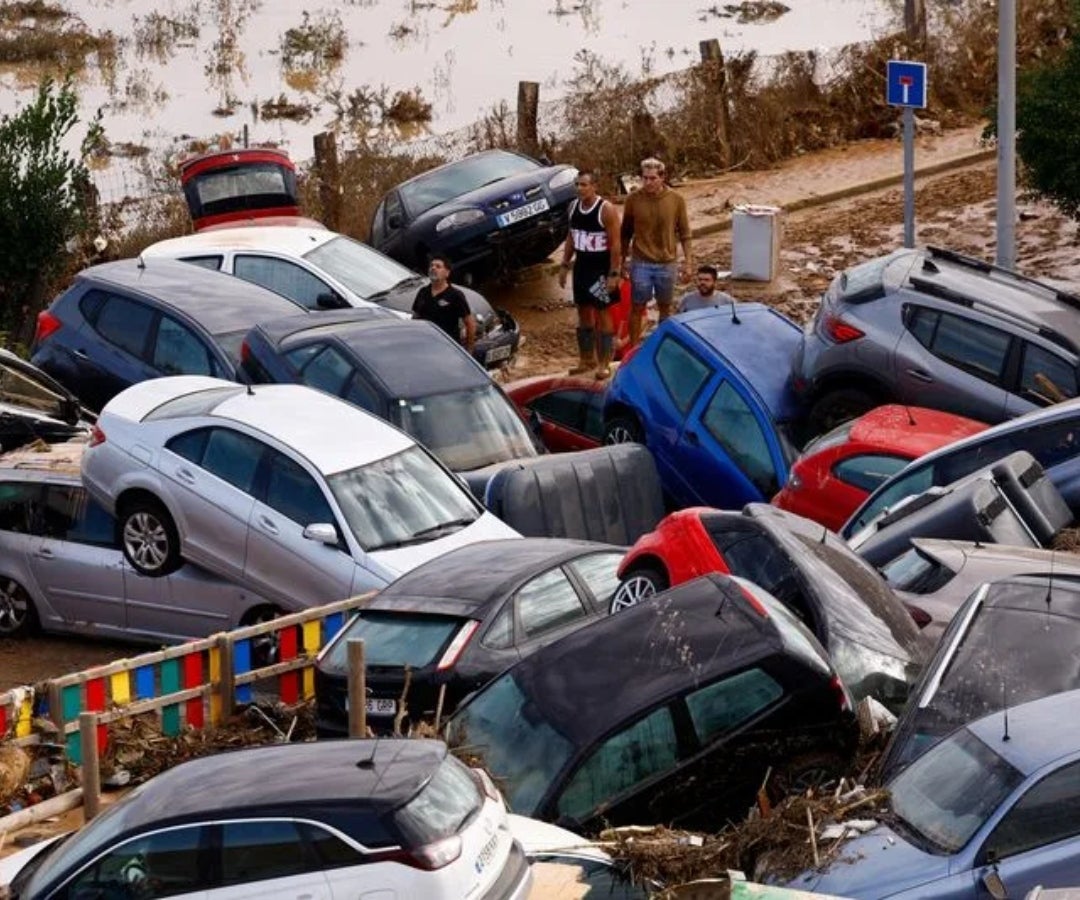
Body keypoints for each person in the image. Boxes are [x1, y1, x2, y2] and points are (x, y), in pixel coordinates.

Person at [619, 157, 693, 347]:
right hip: (641, 261)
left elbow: (685, 233)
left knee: (665, 307)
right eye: (645, 178)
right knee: (637, 306)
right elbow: (625, 232)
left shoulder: (676, 200)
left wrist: (688, 263)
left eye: (653, 178)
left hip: (667, 261)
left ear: (662, 177)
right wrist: (622, 261)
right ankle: (633, 349)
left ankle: (662, 346)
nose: (648, 183)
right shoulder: (633, 200)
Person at [558, 170, 622, 379]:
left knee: (603, 312)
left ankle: (604, 363)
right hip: (582, 267)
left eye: (584, 184)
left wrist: (614, 273)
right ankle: (587, 359)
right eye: (577, 184)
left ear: (594, 186)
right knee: (583, 312)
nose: (580, 188)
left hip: (600, 270)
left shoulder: (606, 210)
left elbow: (616, 245)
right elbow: (571, 236)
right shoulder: (573, 207)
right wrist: (564, 264)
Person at [412, 255, 476, 354]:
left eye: (438, 266)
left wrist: (469, 350)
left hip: (448, 349)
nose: (433, 268)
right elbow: (415, 317)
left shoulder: (455, 295)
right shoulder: (422, 292)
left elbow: (470, 323)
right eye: (431, 266)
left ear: (447, 273)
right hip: (424, 346)